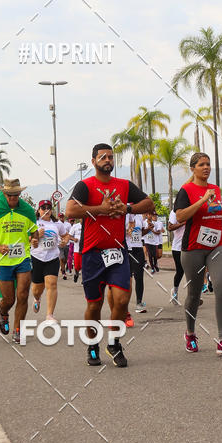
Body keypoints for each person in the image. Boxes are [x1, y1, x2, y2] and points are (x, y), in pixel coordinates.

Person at [65, 144, 153, 367]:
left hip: (117, 251)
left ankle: (114, 343)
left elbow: (148, 203)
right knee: (95, 305)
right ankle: (93, 344)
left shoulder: (123, 185)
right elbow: (71, 211)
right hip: (92, 253)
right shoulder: (84, 185)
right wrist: (100, 209)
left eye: (111, 157)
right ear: (93, 161)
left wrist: (127, 209)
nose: (108, 160)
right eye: (103, 157)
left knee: (122, 300)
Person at [174, 152, 222, 356]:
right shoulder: (186, 190)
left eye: (208, 164)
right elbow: (180, 216)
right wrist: (201, 201)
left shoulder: (215, 189)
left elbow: (216, 212)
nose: (206, 167)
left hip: (217, 245)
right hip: (193, 247)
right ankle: (190, 333)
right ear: (193, 168)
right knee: (194, 295)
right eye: (201, 164)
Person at [0, 179, 39, 345]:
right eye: (10, 195)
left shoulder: (26, 210)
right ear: (4, 194)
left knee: (22, 295)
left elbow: (34, 232)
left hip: (22, 258)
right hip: (2, 260)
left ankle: (18, 330)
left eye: (16, 195)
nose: (13, 198)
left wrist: (34, 240)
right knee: (9, 299)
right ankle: (3, 312)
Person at [30, 200, 70, 324]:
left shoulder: (57, 224)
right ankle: (37, 299)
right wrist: (36, 237)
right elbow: (27, 239)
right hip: (37, 257)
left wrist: (64, 241)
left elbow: (66, 235)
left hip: (52, 258)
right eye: (43, 208)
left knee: (52, 284)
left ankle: (49, 315)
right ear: (38, 210)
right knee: (37, 289)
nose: (46, 210)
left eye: (48, 208)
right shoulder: (34, 223)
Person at [126, 212, 147, 317]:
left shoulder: (139, 215)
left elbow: (141, 232)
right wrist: (126, 231)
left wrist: (149, 229)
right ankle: (123, 306)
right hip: (127, 249)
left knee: (139, 276)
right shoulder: (124, 213)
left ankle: (139, 303)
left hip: (138, 248)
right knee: (127, 278)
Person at [168, 209, 185, 304]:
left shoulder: (192, 209)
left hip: (191, 247)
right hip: (178, 247)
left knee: (193, 271)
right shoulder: (174, 212)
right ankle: (175, 292)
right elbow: (169, 227)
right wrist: (183, 223)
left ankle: (194, 296)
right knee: (180, 271)